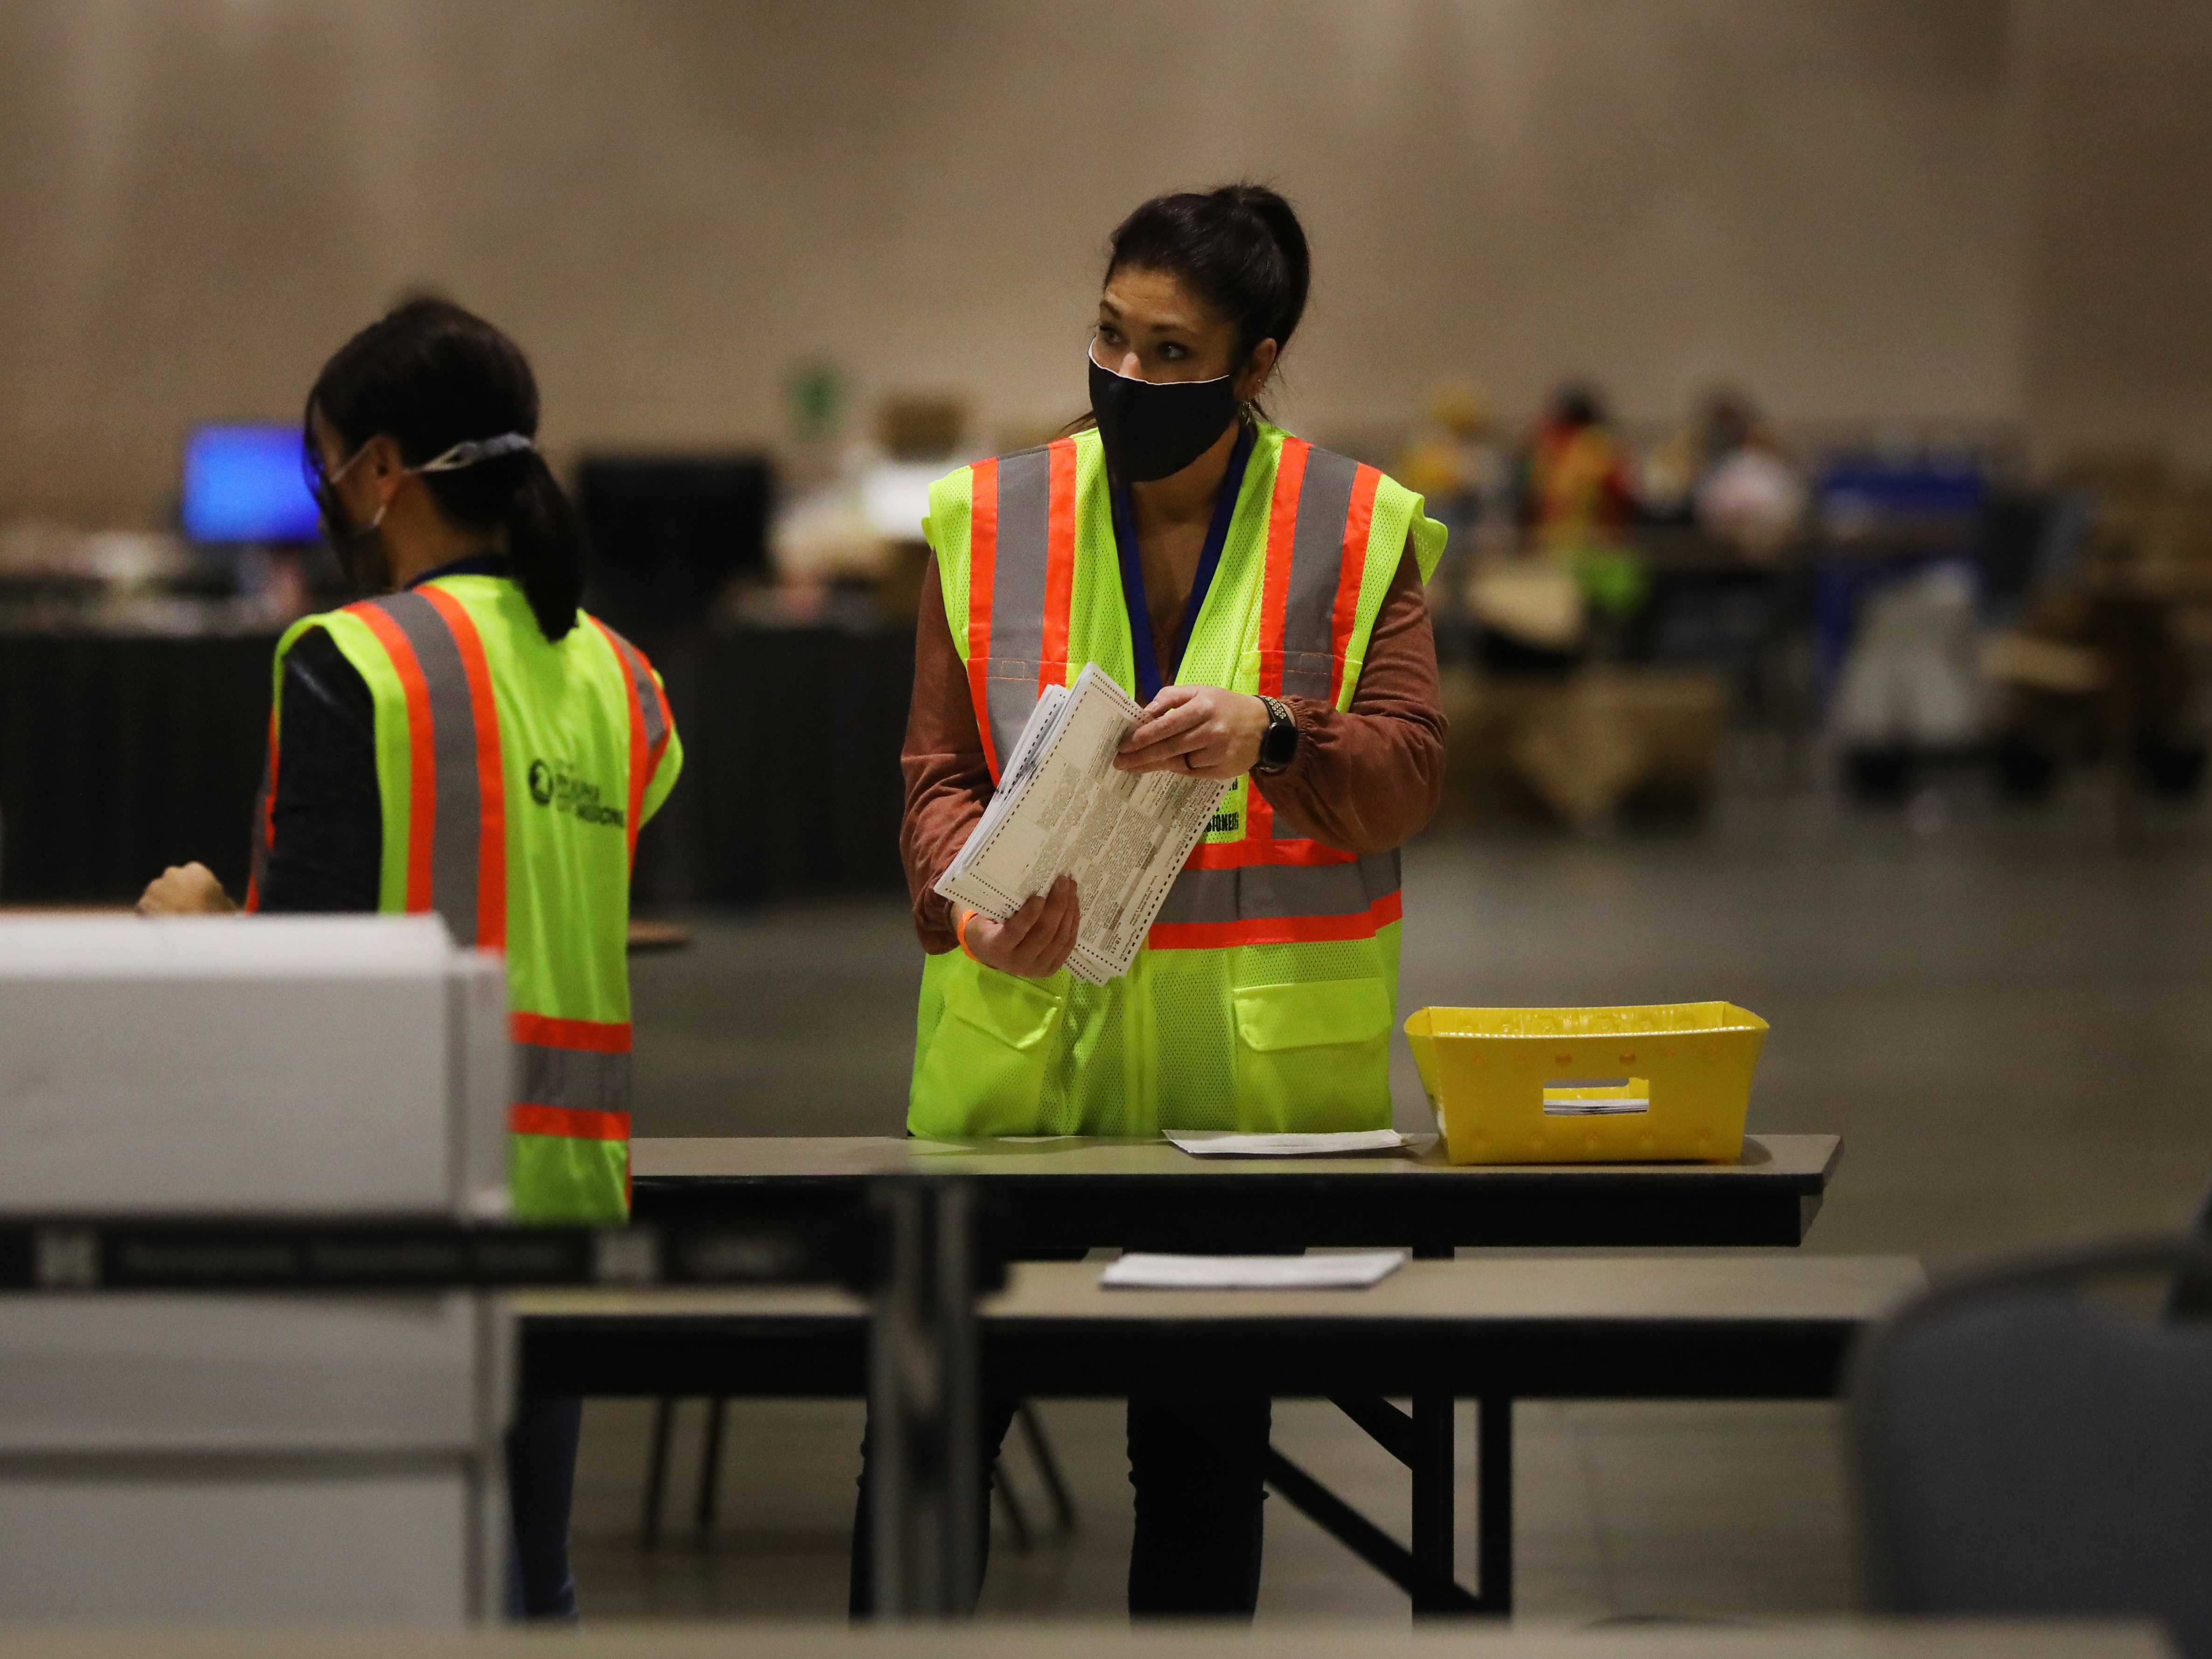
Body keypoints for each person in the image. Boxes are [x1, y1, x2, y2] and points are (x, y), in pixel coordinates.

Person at [870, 183, 1447, 1618]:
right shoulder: (986, 518)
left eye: (1174, 353)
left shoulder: (1361, 528)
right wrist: (967, 905)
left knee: (1197, 1478)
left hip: (1235, 1090)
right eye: (1111, 338)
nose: (1130, 377)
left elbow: (1408, 779)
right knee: (923, 1454)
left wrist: (1284, 736)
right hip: (1014, 1062)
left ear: (1258, 365)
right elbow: (936, 779)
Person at [138, 299, 682, 1618]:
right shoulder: (628, 683)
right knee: (532, 1585)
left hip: (398, 1201)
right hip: (568, 1193)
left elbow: (309, 975)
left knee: (386, 1598)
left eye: (327, 461)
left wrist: (201, 922)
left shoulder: (349, 661)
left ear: (379, 473)